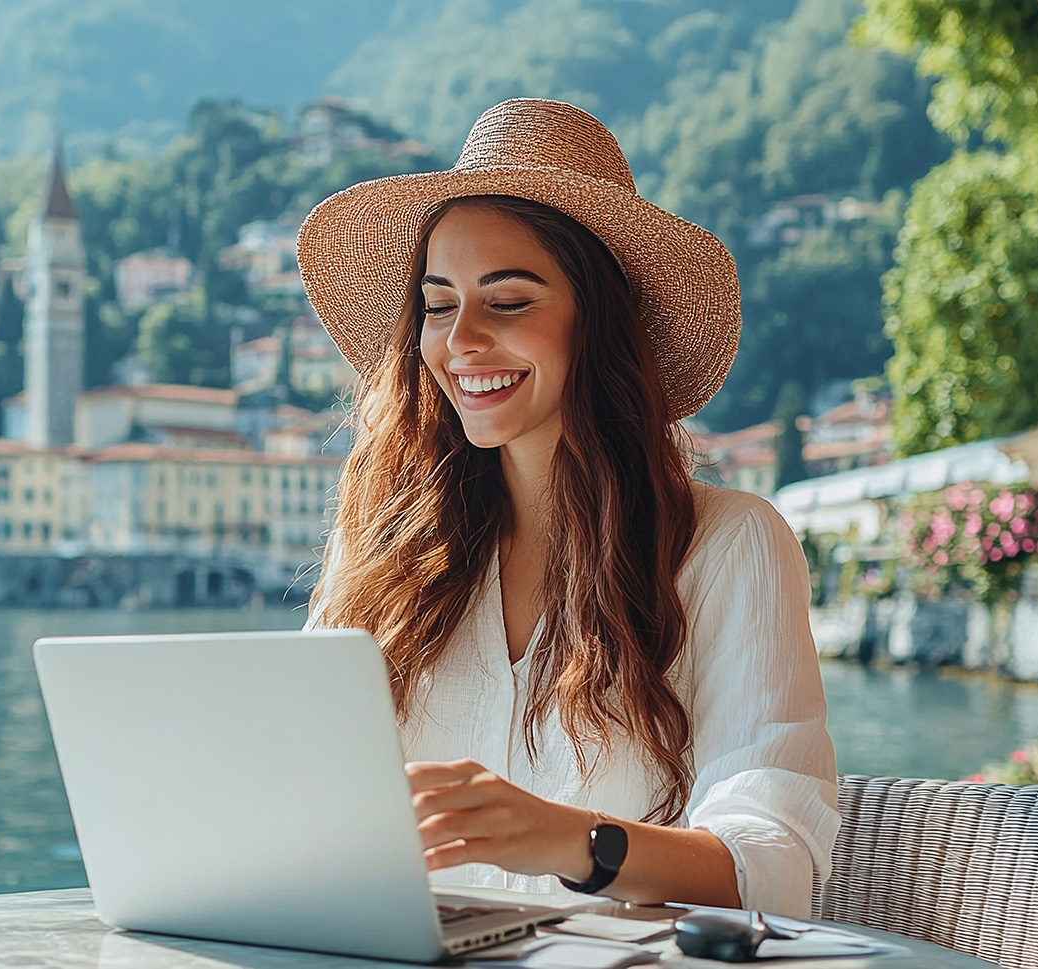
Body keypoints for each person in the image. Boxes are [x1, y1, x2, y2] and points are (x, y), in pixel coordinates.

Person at [297, 98, 837, 918]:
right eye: (437, 304)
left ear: (599, 323)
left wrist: (565, 839)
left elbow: (772, 869)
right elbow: (299, 805)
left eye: (507, 301)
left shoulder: (729, 543)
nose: (461, 339)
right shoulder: (378, 553)